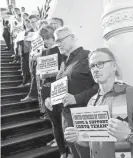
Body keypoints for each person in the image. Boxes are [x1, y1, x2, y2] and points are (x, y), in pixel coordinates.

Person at [64, 48, 133, 158]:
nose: (95, 69)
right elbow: (90, 142)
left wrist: (129, 134)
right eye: (92, 66)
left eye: (100, 64)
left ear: (114, 66)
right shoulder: (92, 102)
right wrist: (77, 137)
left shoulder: (132, 94)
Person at [45, 26, 98, 158]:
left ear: (73, 38)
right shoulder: (64, 63)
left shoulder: (88, 56)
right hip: (67, 119)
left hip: (84, 118)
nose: (58, 44)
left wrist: (77, 98)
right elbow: (62, 89)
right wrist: (51, 99)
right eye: (56, 41)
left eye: (61, 40)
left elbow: (101, 87)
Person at [38, 25, 67, 158]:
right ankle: (62, 151)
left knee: (63, 120)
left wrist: (49, 73)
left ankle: (67, 149)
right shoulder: (43, 52)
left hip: (58, 87)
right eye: (44, 38)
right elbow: (41, 73)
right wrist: (42, 75)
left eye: (49, 37)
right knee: (54, 122)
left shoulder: (60, 50)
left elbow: (63, 72)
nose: (47, 41)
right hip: (46, 89)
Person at [21, 14, 40, 101]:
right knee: (33, 74)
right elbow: (28, 46)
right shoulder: (29, 32)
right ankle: (32, 95)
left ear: (38, 20)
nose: (32, 23)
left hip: (43, 55)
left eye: (34, 21)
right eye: (31, 22)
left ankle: (37, 96)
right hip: (32, 56)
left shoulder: (42, 30)